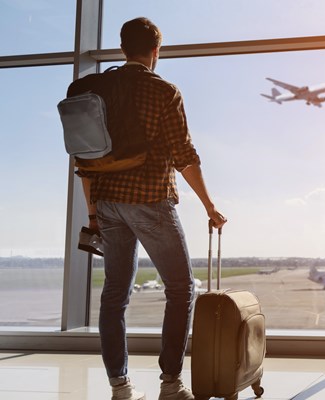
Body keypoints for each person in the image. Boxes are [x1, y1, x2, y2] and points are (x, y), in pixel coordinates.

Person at [77, 17, 227, 400]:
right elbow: (184, 156)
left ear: (123, 47)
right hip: (149, 200)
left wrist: (93, 212)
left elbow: (84, 159)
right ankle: (171, 385)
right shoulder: (164, 91)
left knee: (114, 295)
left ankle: (120, 387)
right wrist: (210, 205)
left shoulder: (98, 90)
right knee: (180, 290)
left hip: (108, 202)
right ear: (156, 51)